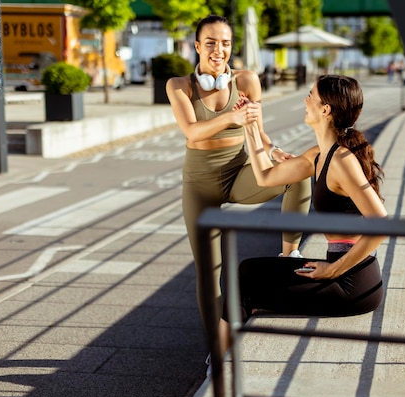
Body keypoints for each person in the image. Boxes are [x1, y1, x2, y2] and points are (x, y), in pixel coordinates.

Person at [165, 15, 312, 339]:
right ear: (197, 46)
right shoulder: (179, 86)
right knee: (209, 272)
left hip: (240, 172)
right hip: (199, 184)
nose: (219, 50)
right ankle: (216, 349)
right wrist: (233, 115)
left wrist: (275, 153)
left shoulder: (246, 81)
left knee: (299, 170)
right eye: (211, 43)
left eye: (226, 43)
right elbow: (191, 131)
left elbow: (257, 132)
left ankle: (290, 254)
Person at [218, 74, 388, 352]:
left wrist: (332, 270)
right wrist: (250, 127)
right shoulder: (319, 155)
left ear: (325, 110)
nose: (305, 100)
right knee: (247, 270)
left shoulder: (342, 160)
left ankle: (219, 367)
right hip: (340, 273)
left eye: (311, 95)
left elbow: (380, 222)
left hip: (353, 285)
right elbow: (265, 176)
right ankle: (222, 359)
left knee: (247, 287)